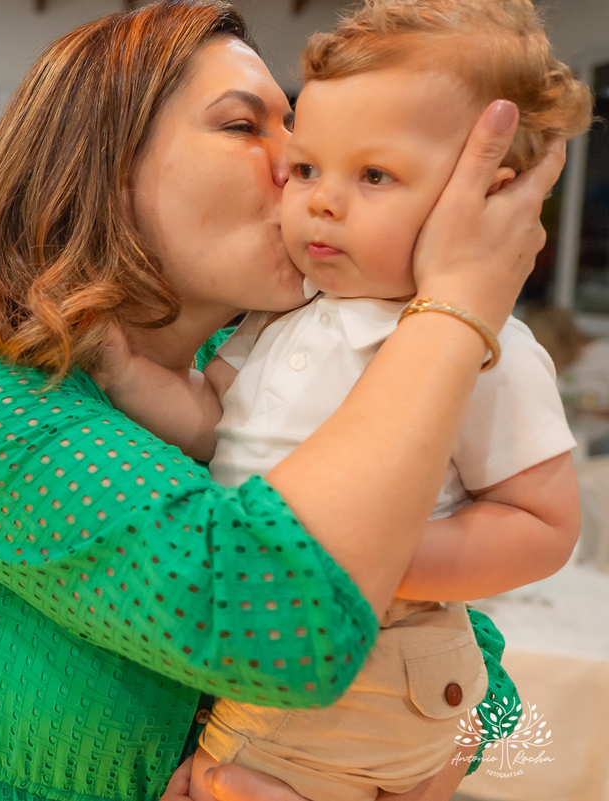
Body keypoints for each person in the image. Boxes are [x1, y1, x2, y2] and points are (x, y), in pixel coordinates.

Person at [0, 3, 564, 800]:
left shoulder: (243, 372)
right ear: (99, 168)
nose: (301, 160)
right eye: (246, 127)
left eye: (298, 129)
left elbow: (481, 670)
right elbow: (285, 615)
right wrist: (456, 304)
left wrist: (426, 767)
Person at [92, 2, 587, 799]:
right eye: (309, 169)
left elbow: (543, 524)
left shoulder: (482, 347)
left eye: (375, 175)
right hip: (273, 640)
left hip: (379, 662)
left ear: (487, 198)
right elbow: (210, 421)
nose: (320, 201)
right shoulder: (284, 318)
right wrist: (119, 372)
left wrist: (380, 557)